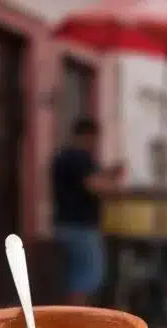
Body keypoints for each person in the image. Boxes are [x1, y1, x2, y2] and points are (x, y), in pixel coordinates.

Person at [50, 117, 122, 305]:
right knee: (87, 277)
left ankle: (73, 318)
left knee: (76, 275)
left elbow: (83, 181)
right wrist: (114, 187)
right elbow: (94, 185)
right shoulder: (79, 157)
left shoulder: (63, 157)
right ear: (88, 136)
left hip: (64, 224)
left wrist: (108, 174)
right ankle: (77, 321)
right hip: (80, 227)